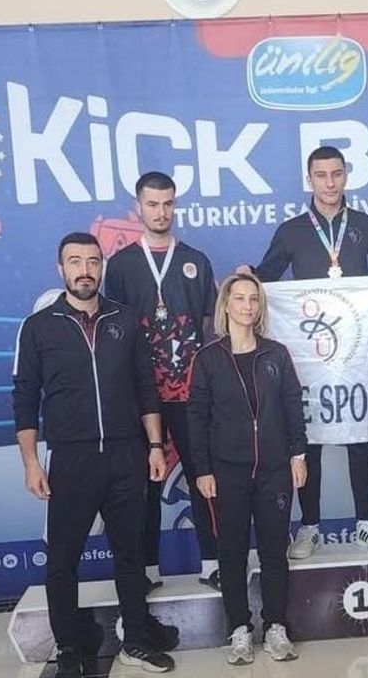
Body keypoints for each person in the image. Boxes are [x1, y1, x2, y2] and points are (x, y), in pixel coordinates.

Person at [12, 232, 178, 675]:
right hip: (71, 460)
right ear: (60, 268)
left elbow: (146, 388)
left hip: (127, 455)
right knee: (62, 560)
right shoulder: (39, 327)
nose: (84, 270)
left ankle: (136, 642)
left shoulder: (126, 319)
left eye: (92, 261)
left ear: (101, 267)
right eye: (75, 262)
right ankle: (69, 648)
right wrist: (31, 463)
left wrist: (155, 446)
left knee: (131, 556)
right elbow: (24, 398)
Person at [241, 145, 368, 559]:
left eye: (336, 174)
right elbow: (267, 276)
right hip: (310, 352)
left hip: (354, 349)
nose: (330, 183)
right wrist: (249, 275)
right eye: (321, 175)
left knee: (360, 435)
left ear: (346, 175)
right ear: (309, 179)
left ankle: (365, 522)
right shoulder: (292, 231)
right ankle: (310, 525)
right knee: (310, 436)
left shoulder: (365, 225)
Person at [104, 171, 220, 592]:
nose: (160, 212)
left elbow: (210, 329)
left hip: (191, 392)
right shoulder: (121, 265)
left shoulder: (196, 261)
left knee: (204, 474)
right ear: (138, 207)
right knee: (143, 483)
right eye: (152, 204)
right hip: (142, 395)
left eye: (168, 203)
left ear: (175, 205)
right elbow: (113, 332)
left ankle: (213, 563)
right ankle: (148, 569)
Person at [188, 273, 306, 665]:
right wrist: (203, 470)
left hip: (274, 471)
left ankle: (276, 626)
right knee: (232, 553)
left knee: (274, 552)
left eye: (254, 299)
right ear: (225, 305)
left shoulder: (276, 354)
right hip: (227, 472)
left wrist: (298, 455)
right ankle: (239, 628)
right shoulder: (208, 359)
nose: (247, 306)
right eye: (239, 298)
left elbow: (293, 406)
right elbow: (196, 419)